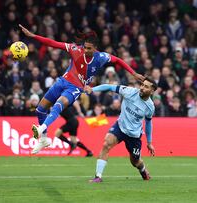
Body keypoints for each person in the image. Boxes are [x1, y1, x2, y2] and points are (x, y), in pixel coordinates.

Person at [19, 24, 145, 154]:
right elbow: (53, 43)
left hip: (75, 87)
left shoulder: (101, 57)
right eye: (84, 47)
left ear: (95, 48)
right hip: (63, 81)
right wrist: (33, 36)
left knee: (58, 104)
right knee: (40, 109)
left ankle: (42, 128)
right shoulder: (75, 49)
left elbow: (118, 60)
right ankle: (44, 139)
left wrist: (134, 73)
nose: (85, 50)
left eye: (89, 48)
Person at [83, 78, 157, 183]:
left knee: (135, 161)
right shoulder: (129, 91)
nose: (142, 88)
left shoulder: (150, 107)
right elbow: (109, 86)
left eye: (146, 87)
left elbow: (149, 123)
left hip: (134, 135)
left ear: (152, 91)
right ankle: (98, 176)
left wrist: (149, 142)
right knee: (106, 144)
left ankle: (143, 170)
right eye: (142, 85)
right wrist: (93, 89)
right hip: (120, 127)